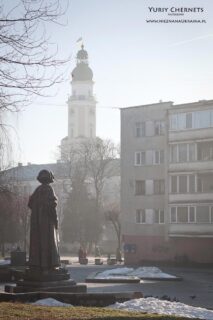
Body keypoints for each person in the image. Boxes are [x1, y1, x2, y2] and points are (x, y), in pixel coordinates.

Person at [28, 170, 60, 271]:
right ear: (50, 180)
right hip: (47, 222)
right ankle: (49, 264)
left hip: (37, 223)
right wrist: (55, 220)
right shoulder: (49, 189)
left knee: (38, 242)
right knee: (48, 241)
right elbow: (53, 204)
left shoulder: (37, 190)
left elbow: (30, 203)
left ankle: (37, 264)